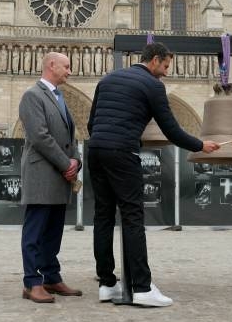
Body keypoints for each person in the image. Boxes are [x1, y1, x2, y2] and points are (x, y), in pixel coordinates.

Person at [86, 42, 219, 307]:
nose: (167, 72)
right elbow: (171, 130)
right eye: (166, 66)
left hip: (96, 150)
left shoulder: (108, 78)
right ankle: (142, 288)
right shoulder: (153, 85)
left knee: (103, 216)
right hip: (123, 152)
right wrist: (200, 145)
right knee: (133, 216)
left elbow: (91, 123)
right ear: (155, 60)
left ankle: (107, 284)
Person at [18, 52, 82, 304]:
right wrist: (67, 163)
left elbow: (70, 135)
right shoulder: (32, 96)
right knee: (35, 231)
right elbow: (39, 136)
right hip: (42, 173)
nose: (69, 71)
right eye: (66, 67)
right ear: (51, 65)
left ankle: (51, 277)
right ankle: (31, 282)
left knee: (53, 231)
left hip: (59, 174)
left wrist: (76, 160)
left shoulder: (59, 97)